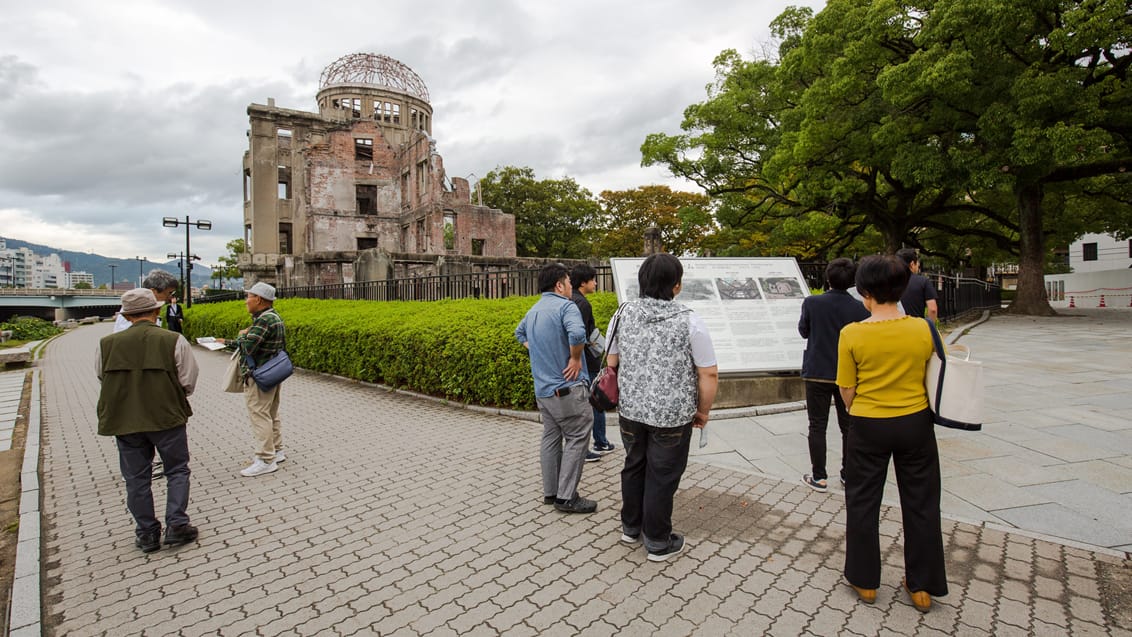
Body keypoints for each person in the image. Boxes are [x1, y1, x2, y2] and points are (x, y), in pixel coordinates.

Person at [837, 254, 947, 613]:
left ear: (866, 293)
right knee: (922, 503)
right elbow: (936, 369)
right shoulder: (922, 328)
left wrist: (861, 407)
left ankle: (865, 581)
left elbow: (847, 390)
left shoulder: (852, 334)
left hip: (868, 423)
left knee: (863, 501)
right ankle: (922, 586)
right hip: (915, 421)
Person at [608, 253, 718, 562]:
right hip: (672, 415)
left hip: (630, 410)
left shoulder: (622, 313)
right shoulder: (689, 320)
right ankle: (656, 540)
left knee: (634, 465)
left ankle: (631, 528)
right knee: (662, 474)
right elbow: (708, 372)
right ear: (677, 285)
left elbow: (612, 360)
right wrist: (704, 411)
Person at [96, 288, 199, 553]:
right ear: (156, 311)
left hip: (125, 418)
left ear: (127, 316)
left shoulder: (106, 344)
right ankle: (176, 524)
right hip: (166, 414)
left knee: (136, 477)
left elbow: (101, 376)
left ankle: (146, 533)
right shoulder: (173, 340)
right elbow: (188, 379)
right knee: (176, 469)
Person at [515, 263, 597, 514]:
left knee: (551, 438)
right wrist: (574, 359)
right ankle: (566, 497)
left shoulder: (534, 310)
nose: (572, 287)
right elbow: (577, 334)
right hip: (567, 390)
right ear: (559, 285)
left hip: (543, 391)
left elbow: (519, 334)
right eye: (569, 283)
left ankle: (551, 493)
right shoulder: (566, 306)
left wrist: (538, 351)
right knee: (577, 437)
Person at [798, 258, 869, 492]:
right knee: (848, 426)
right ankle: (848, 474)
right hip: (845, 374)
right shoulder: (860, 309)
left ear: (827, 278)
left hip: (817, 370)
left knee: (817, 425)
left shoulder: (812, 302)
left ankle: (819, 475)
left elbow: (803, 331)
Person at [227, 282, 288, 477]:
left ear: (259, 299)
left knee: (259, 414)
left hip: (259, 374)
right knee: (271, 413)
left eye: (249, 297)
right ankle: (277, 450)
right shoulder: (275, 317)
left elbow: (248, 347)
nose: (246, 301)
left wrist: (240, 337)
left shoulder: (263, 320)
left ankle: (265, 458)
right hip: (273, 372)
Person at [569, 264, 614, 461]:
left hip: (581, 359)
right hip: (587, 361)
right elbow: (581, 335)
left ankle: (599, 440)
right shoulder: (583, 304)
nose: (596, 283)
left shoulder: (571, 300)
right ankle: (599, 441)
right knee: (595, 400)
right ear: (583, 282)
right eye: (593, 279)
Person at [114, 270, 179, 333]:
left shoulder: (139, 306)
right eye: (169, 293)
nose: (170, 297)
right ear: (153, 291)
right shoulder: (139, 309)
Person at [896, 248, 939, 321]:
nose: (918, 265)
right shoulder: (923, 281)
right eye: (917, 263)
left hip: (894, 328)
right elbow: (932, 309)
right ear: (912, 264)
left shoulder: (889, 282)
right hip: (917, 327)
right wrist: (929, 327)